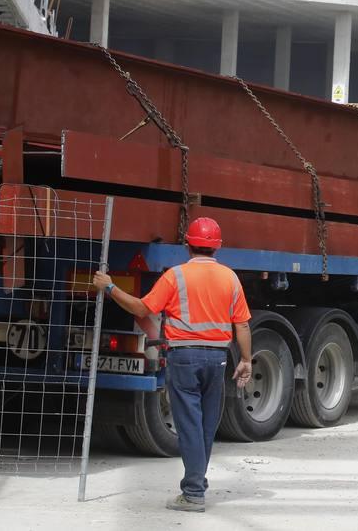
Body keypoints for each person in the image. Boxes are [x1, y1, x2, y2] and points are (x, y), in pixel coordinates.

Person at [93, 217, 253, 513]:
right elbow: (241, 325)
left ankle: (193, 493)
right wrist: (245, 360)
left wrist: (110, 287)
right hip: (217, 357)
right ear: (217, 247)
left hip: (184, 358)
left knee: (189, 425)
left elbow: (142, 308)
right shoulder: (230, 278)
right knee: (206, 425)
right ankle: (197, 484)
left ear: (188, 244)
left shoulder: (175, 276)